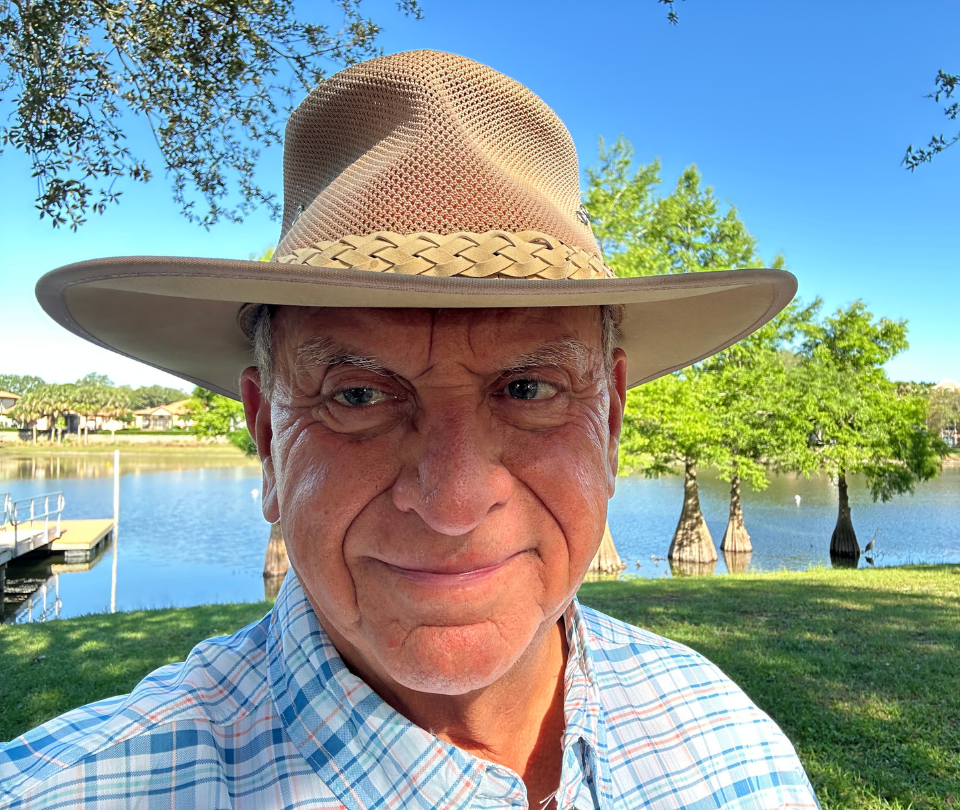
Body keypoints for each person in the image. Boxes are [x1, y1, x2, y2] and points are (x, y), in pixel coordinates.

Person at [2, 51, 820, 809]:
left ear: (608, 418)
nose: (454, 501)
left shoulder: (736, 755)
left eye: (528, 387)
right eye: (357, 396)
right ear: (266, 438)